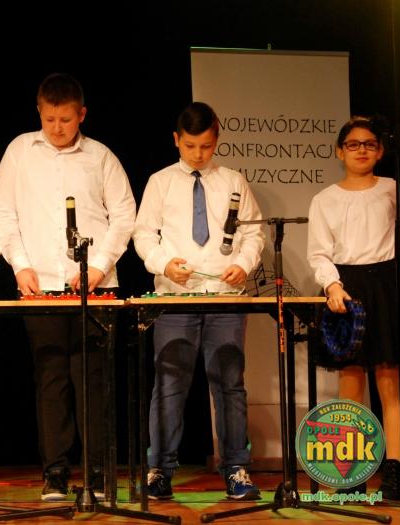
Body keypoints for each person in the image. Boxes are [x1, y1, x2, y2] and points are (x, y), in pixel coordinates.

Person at [0, 73, 136, 501]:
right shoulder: (20, 151)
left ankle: (98, 472)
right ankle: (55, 471)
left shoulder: (101, 157)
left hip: (95, 288)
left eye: (66, 120)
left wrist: (100, 267)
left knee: (93, 380)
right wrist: (20, 265)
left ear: (82, 114)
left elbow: (124, 215)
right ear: (39, 111)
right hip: (40, 286)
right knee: (51, 379)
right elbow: (5, 215)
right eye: (50, 119)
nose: (57, 128)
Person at [133, 101, 264, 501]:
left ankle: (236, 467)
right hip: (175, 299)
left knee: (229, 384)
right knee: (169, 384)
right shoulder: (160, 182)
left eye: (206, 146)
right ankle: (160, 470)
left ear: (216, 140)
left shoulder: (233, 181)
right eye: (190, 146)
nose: (198, 154)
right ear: (177, 140)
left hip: (225, 298)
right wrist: (163, 264)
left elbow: (254, 233)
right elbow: (143, 234)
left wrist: (243, 264)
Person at [307, 115, 400, 500]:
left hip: (387, 283)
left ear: (380, 151)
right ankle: (351, 470)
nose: (361, 150)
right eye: (353, 144)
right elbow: (319, 252)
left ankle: (395, 469)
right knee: (350, 383)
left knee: (389, 381)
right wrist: (332, 285)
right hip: (346, 287)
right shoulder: (324, 199)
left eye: (369, 144)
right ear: (340, 151)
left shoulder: (394, 189)